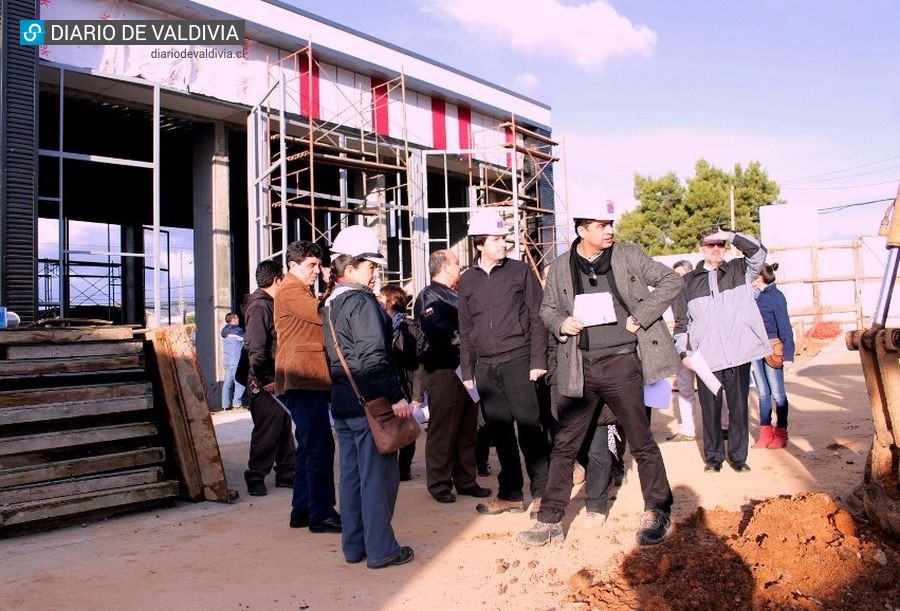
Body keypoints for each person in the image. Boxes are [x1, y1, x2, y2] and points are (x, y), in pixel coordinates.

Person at [517, 200, 681, 547]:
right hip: (580, 365)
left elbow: (670, 281)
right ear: (582, 231)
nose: (609, 230)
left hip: (623, 364)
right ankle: (549, 520)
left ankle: (658, 510)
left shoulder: (628, 255)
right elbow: (547, 309)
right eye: (600, 225)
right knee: (564, 445)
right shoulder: (561, 267)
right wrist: (561, 322)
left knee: (641, 440)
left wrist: (643, 316)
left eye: (610, 223)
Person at [322, 225, 414, 569]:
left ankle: (355, 546)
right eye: (369, 265)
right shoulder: (360, 302)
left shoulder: (329, 304)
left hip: (344, 404)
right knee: (378, 479)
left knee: (351, 478)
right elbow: (374, 357)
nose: (375, 271)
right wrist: (397, 396)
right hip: (371, 405)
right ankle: (381, 550)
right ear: (349, 268)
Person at [458, 209, 550, 517]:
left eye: (504, 238)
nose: (504, 244)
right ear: (480, 243)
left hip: (520, 360)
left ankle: (542, 494)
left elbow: (538, 317)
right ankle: (510, 494)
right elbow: (466, 326)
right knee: (500, 433)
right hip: (485, 367)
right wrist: (468, 369)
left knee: (530, 430)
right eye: (497, 239)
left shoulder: (520, 271)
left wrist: (538, 359)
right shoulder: (467, 280)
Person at [673, 228, 770, 474]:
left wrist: (729, 234)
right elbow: (681, 323)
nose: (715, 249)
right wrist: (683, 353)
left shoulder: (739, 270)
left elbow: (758, 252)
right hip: (706, 359)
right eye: (710, 245)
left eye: (720, 245)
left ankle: (738, 457)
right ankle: (714, 458)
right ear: (701, 249)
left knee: (738, 409)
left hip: (738, 353)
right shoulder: (687, 283)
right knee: (711, 410)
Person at [274, 240, 341, 533]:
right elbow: (323, 312)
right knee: (319, 447)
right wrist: (333, 286)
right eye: (311, 265)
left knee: (309, 447)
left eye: (318, 264)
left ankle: (302, 511)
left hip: (305, 378)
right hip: (304, 378)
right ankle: (321, 513)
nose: (317, 270)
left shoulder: (295, 289)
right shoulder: (290, 291)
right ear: (292, 266)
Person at [413, 250, 491, 504]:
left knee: (467, 427)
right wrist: (469, 342)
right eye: (457, 263)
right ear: (444, 267)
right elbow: (440, 330)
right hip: (443, 369)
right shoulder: (430, 296)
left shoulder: (455, 294)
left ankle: (466, 480)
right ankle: (439, 484)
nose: (461, 267)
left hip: (464, 367)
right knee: (443, 428)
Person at [242, 259, 296, 497]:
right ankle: (255, 476)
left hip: (276, 377)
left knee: (282, 427)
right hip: (264, 381)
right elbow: (257, 347)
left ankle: (287, 473)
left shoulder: (268, 304)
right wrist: (265, 378)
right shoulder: (260, 307)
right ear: (276, 280)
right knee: (267, 429)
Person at [377, 283, 420, 482]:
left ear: (391, 300)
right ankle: (390, 465)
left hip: (405, 382)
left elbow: (415, 361)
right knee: (387, 424)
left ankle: (404, 468)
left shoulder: (408, 326)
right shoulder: (379, 324)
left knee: (405, 425)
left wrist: (416, 392)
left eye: (382, 296)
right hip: (388, 382)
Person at [750, 262, 795, 449]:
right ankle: (765, 432)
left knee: (778, 394)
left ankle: (781, 431)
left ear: (759, 276)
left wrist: (789, 355)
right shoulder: (752, 297)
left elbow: (784, 325)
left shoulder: (776, 296)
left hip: (772, 348)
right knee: (762, 393)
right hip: (755, 349)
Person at [665, 260, 699, 442]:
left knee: (713, 387)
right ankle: (688, 429)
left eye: (681, 274)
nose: (678, 279)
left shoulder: (698, 290)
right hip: (681, 339)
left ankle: (723, 425)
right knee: (685, 388)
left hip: (700, 341)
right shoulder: (673, 294)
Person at [220, 312, 245, 411]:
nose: (239, 320)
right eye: (237, 318)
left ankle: (225, 405)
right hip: (236, 360)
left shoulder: (224, 331)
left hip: (227, 361)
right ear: (233, 320)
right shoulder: (238, 331)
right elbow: (247, 340)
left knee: (227, 383)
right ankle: (237, 404)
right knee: (240, 382)